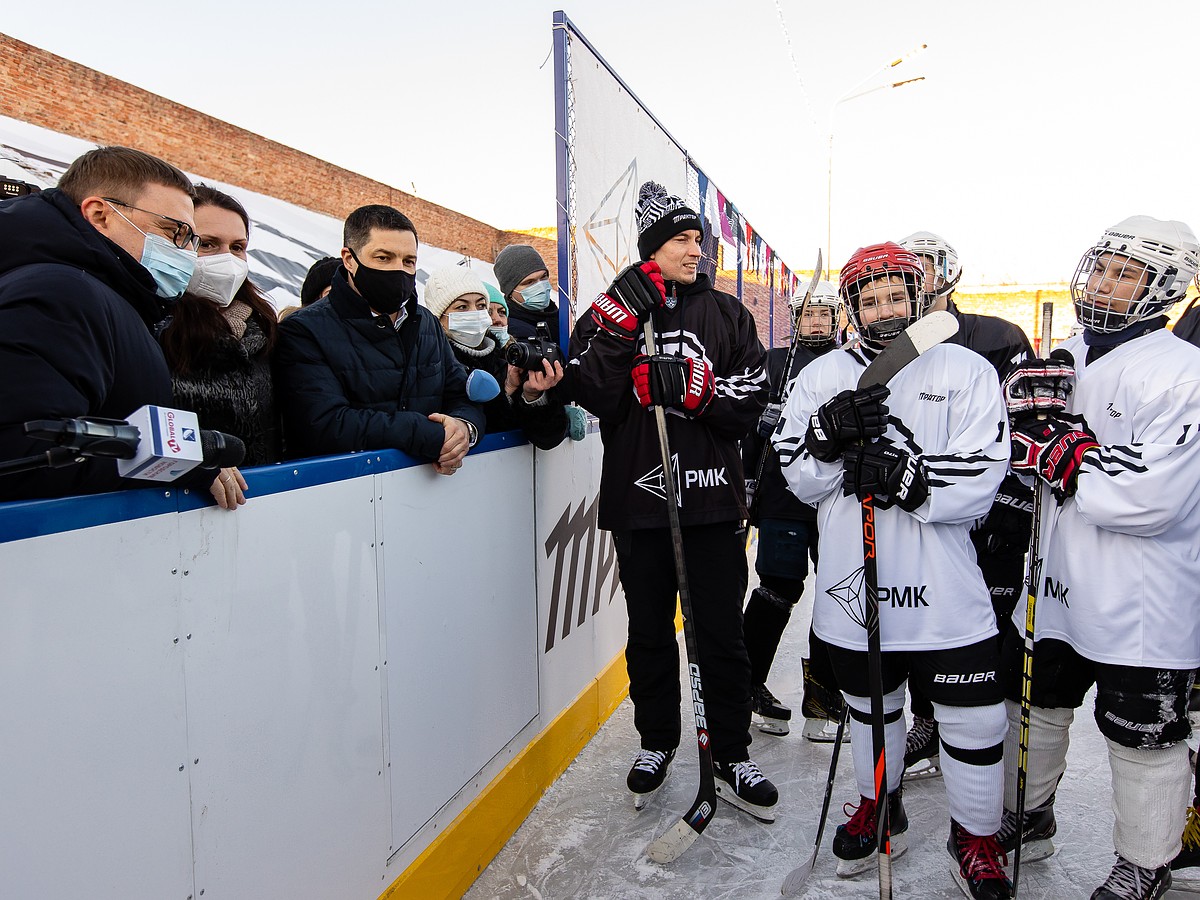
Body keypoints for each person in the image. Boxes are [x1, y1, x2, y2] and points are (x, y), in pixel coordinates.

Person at [773, 242, 1012, 898]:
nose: (885, 308)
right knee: (873, 711)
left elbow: (985, 469)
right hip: (860, 583)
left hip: (946, 586)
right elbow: (800, 476)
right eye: (870, 298)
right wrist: (825, 440)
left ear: (918, 297)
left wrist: (910, 478)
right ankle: (884, 806)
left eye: (896, 296)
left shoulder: (964, 368)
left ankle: (976, 836)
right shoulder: (823, 376)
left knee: (974, 718)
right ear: (851, 305)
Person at [999, 216, 1200, 900]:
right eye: (1103, 268)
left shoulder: (1183, 371)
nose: (1105, 284)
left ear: (1163, 286)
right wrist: (1021, 441)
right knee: (1037, 704)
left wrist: (1066, 452)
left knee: (1141, 732)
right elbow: (1029, 464)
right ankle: (1030, 813)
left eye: (1126, 273)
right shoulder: (1065, 357)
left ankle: (1147, 858)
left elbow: (1155, 495)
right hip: (1056, 578)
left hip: (1140, 594)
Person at [567, 180, 778, 821]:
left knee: (719, 633)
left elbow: (752, 399)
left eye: (699, 239)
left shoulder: (728, 315)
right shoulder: (614, 308)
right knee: (649, 631)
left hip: (712, 506)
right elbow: (587, 387)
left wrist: (699, 392)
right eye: (683, 240)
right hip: (640, 502)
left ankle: (733, 750)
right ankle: (657, 741)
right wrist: (623, 334)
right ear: (653, 248)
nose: (697, 249)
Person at [896, 231, 1035, 780]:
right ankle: (928, 718)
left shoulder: (999, 336)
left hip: (992, 509)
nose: (921, 275)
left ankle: (985, 733)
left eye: (930, 265)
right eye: (912, 266)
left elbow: (1024, 426)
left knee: (987, 630)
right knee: (922, 621)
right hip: (918, 513)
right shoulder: (891, 345)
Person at [0, 145, 197, 502]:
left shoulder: (110, 294)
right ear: (100, 215)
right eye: (172, 231)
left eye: (190, 241)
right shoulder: (61, 292)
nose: (184, 253)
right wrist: (176, 464)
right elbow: (25, 454)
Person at [273, 205, 484, 474]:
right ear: (349, 259)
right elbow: (325, 424)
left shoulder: (426, 323)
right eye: (384, 258)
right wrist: (429, 435)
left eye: (408, 261)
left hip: (428, 498)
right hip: (340, 494)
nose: (399, 270)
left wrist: (464, 428)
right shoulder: (303, 330)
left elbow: (460, 392)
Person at [740, 281, 847, 741]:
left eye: (824, 314)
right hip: (783, 498)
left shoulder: (851, 363)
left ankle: (822, 701)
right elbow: (741, 415)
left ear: (837, 316)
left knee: (836, 593)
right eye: (807, 314)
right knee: (776, 590)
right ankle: (745, 688)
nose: (816, 322)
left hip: (837, 497)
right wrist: (755, 424)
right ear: (795, 317)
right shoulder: (772, 363)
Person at [158, 184, 280, 510]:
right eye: (209, 244)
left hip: (262, 505)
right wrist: (196, 459)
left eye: (238, 247)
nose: (227, 258)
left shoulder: (264, 329)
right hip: (174, 512)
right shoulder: (149, 323)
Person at [423, 265, 567, 450]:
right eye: (462, 307)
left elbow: (547, 438)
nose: (475, 313)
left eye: (481, 305)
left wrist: (531, 396)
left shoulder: (505, 363)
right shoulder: (429, 364)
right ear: (438, 317)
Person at [493, 244, 560, 341]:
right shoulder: (507, 331)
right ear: (510, 291)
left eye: (543, 277)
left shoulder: (558, 316)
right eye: (529, 282)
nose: (540, 286)